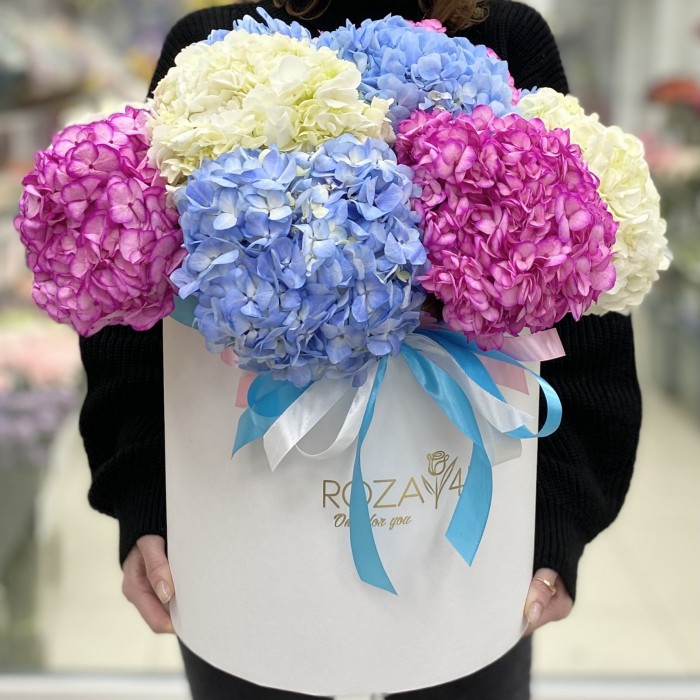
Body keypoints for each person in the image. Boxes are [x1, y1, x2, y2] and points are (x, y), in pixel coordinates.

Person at [78, 1, 643, 698]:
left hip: (460, 562)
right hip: (247, 558)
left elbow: (581, 299)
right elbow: (133, 309)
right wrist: (144, 501)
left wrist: (556, 522)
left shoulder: (505, 37)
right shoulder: (209, 51)